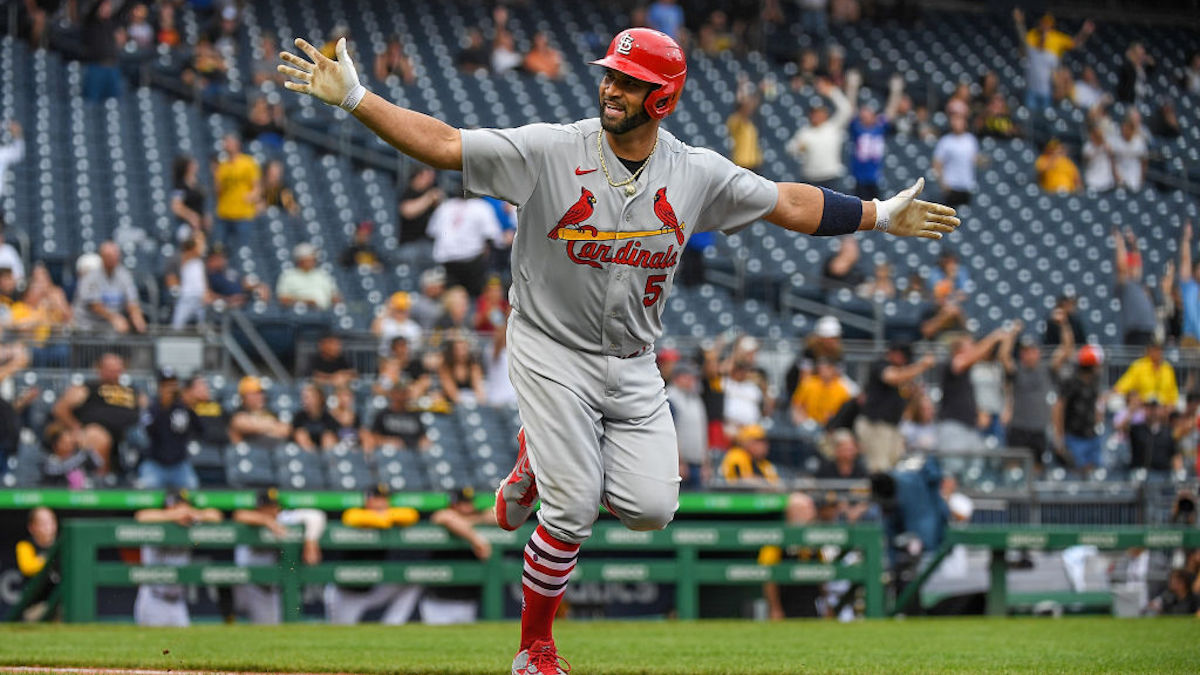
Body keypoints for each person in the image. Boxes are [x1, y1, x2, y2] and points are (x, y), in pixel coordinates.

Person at [278, 27, 958, 672]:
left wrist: (877, 214)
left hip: (634, 361)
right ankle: (534, 647)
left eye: (629, 82)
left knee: (652, 508)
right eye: (610, 75)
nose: (611, 88)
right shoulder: (551, 148)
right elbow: (447, 145)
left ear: (661, 98)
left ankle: (534, 465)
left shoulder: (694, 172)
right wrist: (355, 98)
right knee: (573, 509)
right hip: (549, 346)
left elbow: (789, 202)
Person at [325, 484, 422, 624]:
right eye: (378, 499)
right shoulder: (355, 513)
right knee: (342, 633)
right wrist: (383, 519)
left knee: (413, 581)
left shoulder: (391, 514)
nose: (382, 503)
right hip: (346, 589)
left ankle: (393, 626)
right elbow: (352, 518)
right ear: (368, 500)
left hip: (374, 586)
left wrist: (385, 517)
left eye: (385, 499)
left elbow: (411, 515)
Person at [231, 488, 327, 624]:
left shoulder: (282, 518)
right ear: (260, 507)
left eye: (275, 506)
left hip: (265, 589)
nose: (274, 510)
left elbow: (315, 515)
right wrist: (267, 521)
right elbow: (239, 515)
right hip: (242, 584)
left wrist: (310, 542)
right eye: (269, 507)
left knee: (268, 630)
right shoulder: (253, 517)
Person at [133, 490, 222, 627]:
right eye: (178, 506)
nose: (183, 510)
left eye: (185, 506)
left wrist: (194, 515)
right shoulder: (157, 521)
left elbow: (216, 515)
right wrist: (175, 515)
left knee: (183, 644)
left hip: (178, 601)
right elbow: (141, 516)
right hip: (154, 597)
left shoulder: (189, 524)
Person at [52, 353, 141, 476]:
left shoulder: (132, 390)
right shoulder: (88, 388)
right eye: (110, 369)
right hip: (97, 431)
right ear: (99, 369)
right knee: (97, 437)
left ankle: (136, 478)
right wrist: (76, 428)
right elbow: (60, 408)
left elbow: (146, 409)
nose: (114, 373)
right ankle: (100, 482)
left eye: (117, 370)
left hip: (130, 432)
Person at [856, 342, 936, 472]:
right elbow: (893, 377)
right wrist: (922, 365)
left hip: (893, 426)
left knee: (893, 467)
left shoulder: (903, 372)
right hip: (876, 425)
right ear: (894, 353)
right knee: (879, 469)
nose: (904, 361)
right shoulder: (880, 365)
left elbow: (909, 398)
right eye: (903, 357)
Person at [425, 487, 500, 624]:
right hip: (439, 601)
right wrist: (477, 540)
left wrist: (471, 521)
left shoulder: (476, 516)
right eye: (462, 503)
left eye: (468, 502)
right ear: (454, 503)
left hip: (467, 600)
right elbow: (447, 518)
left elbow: (497, 514)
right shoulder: (443, 515)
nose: (467, 507)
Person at [938, 327, 1015, 450]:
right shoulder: (952, 363)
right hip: (954, 427)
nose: (974, 348)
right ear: (958, 350)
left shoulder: (970, 370)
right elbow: (962, 362)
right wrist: (993, 338)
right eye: (970, 346)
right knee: (953, 466)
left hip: (969, 427)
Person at [1005, 331, 1073, 470]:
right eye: (1025, 351)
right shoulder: (1017, 370)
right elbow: (1004, 357)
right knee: (1013, 467)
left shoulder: (1047, 370)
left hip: (1038, 429)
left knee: (1037, 469)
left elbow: (1066, 349)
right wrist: (1012, 334)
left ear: (1038, 352)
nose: (1029, 355)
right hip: (1018, 427)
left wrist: (1063, 325)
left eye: (1032, 351)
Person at [1012, 10, 1093, 113]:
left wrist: (1084, 32)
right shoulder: (1032, 35)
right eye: (1043, 24)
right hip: (1031, 88)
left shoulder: (1056, 38)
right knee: (1030, 117)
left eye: (1048, 25)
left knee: (1047, 116)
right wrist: (1019, 23)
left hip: (1048, 90)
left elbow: (1075, 43)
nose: (1045, 27)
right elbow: (1023, 47)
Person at [427, 190, 503, 297]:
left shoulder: (445, 206)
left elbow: (431, 233)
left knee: (453, 297)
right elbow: (495, 238)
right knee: (475, 295)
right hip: (472, 262)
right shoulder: (481, 206)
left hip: (448, 262)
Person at [785, 77, 856, 188]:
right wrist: (797, 148)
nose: (816, 116)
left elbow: (846, 109)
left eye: (819, 112)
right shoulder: (805, 132)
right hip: (810, 178)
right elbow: (790, 148)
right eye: (814, 113)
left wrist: (833, 92)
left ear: (825, 114)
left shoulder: (833, 127)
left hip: (831, 177)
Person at [140, 368, 202, 490]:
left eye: (172, 384)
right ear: (159, 387)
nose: (169, 389)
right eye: (165, 385)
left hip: (180, 465)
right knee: (147, 491)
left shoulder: (184, 407)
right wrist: (163, 407)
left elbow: (201, 430)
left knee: (193, 490)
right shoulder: (152, 408)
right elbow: (147, 431)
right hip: (155, 464)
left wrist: (191, 407)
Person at [72, 241, 147, 334]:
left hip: (110, 328)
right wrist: (115, 318)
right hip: (88, 327)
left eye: (116, 255)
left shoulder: (124, 274)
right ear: (102, 257)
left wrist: (137, 316)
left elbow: (132, 301)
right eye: (109, 256)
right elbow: (95, 305)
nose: (113, 258)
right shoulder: (91, 275)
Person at [848, 74, 903, 200]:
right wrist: (852, 87)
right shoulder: (857, 127)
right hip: (860, 177)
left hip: (875, 177)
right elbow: (851, 109)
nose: (865, 114)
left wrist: (896, 91)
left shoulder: (879, 127)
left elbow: (891, 111)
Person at [1055, 345, 1105, 472]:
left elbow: (1097, 404)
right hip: (1074, 435)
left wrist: (1099, 420)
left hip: (1091, 435)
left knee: (1094, 470)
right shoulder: (1071, 382)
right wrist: (1059, 437)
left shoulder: (1095, 381)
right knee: (1076, 471)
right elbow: (1059, 408)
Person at [213, 134, 261, 250]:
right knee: (219, 248)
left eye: (229, 142)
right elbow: (218, 190)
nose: (227, 145)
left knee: (242, 248)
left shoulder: (248, 162)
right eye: (225, 143)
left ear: (237, 144)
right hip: (224, 213)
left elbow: (257, 186)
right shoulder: (222, 166)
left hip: (243, 213)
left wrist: (252, 196)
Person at [667, 362, 709, 489]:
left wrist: (706, 464)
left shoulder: (696, 398)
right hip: (678, 465)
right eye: (688, 377)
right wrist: (678, 462)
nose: (693, 381)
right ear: (677, 377)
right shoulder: (669, 397)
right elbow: (669, 433)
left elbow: (703, 432)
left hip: (697, 464)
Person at [1113, 229, 1159, 346]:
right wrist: (1120, 243)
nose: (1134, 268)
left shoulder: (1138, 285)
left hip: (1148, 330)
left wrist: (1134, 245)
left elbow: (1137, 264)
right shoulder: (1124, 285)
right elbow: (1122, 267)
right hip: (1135, 333)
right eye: (1131, 266)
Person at [15, 507, 59, 621]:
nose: (48, 528)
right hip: (35, 606)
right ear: (32, 527)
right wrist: (47, 559)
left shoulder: (63, 546)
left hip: (61, 603)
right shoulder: (25, 545)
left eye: (51, 522)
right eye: (43, 524)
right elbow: (27, 568)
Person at [932, 113, 979, 208]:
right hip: (951, 185)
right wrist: (943, 183)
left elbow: (975, 159)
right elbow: (937, 163)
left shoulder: (970, 140)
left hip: (966, 185)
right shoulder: (946, 141)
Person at [363, 385, 429, 453]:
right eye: (398, 393)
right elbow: (371, 436)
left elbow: (423, 437)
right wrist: (386, 441)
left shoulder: (415, 415)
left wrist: (423, 443)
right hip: (388, 453)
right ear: (392, 394)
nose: (400, 396)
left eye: (403, 393)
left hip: (411, 454)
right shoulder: (383, 415)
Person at [790, 357, 854, 427]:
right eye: (821, 368)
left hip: (832, 426)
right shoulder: (808, 384)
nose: (823, 371)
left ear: (833, 369)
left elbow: (845, 413)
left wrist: (835, 420)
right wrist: (802, 420)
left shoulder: (842, 389)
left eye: (827, 368)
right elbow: (796, 405)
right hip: (808, 424)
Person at [1114, 341, 1179, 408]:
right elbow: (1126, 383)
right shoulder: (1139, 365)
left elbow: (1173, 392)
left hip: (1163, 407)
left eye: (1159, 350)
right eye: (1154, 350)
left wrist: (1171, 404)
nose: (1157, 353)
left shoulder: (1168, 368)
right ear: (1148, 351)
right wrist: (1116, 390)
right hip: (1143, 406)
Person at [229, 376, 291, 445]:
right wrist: (271, 425)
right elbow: (239, 423)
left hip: (272, 452)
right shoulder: (239, 412)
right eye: (254, 393)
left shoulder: (270, 411)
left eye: (261, 393)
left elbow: (286, 430)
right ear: (244, 397)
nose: (259, 396)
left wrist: (257, 424)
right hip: (249, 453)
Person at [277, 242, 341, 309]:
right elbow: (283, 299)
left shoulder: (322, 274)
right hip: (302, 313)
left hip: (325, 312)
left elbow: (335, 295)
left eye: (313, 256)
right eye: (310, 256)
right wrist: (306, 302)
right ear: (300, 259)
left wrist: (336, 300)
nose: (313, 259)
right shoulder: (288, 275)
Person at [1128, 397, 1182, 474]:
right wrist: (1132, 410)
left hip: (1163, 475)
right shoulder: (1136, 429)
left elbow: (1175, 454)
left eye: (1155, 408)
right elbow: (1121, 427)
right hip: (1140, 475)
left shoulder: (1168, 431)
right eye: (1149, 408)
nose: (1153, 411)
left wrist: (1178, 472)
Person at [398, 166, 443, 244]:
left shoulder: (430, 191)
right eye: (429, 176)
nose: (431, 180)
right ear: (419, 175)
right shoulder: (407, 191)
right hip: (409, 243)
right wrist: (429, 197)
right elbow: (406, 211)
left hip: (428, 242)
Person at [171, 155, 210, 237]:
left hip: (200, 224)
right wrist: (191, 216)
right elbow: (176, 207)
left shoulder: (198, 182)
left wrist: (205, 216)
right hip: (186, 225)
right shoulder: (180, 186)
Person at [292, 383, 339, 452]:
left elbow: (333, 436)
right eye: (304, 398)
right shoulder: (299, 417)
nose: (306, 401)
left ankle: (328, 460)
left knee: (328, 437)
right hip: (306, 451)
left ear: (319, 398)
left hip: (325, 450)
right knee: (300, 434)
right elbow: (296, 435)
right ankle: (312, 459)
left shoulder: (328, 417)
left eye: (309, 397)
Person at [1109, 114, 1148, 192]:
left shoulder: (1139, 142)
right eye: (1123, 129)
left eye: (1127, 129)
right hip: (1120, 176)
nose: (1124, 131)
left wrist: (1142, 178)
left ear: (1132, 129)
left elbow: (1144, 161)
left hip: (1135, 177)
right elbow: (1112, 159)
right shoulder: (1116, 141)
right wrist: (1115, 174)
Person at [726, 92, 763, 171]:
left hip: (754, 163)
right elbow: (743, 111)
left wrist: (759, 92)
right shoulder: (735, 120)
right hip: (742, 163)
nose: (750, 108)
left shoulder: (749, 124)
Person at [1081, 124, 1116, 193]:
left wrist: (1103, 140)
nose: (1096, 136)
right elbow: (1086, 159)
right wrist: (1097, 145)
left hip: (1107, 180)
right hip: (1092, 179)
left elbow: (1112, 154)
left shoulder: (1107, 144)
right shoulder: (1087, 147)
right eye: (1095, 134)